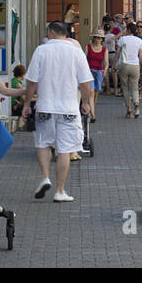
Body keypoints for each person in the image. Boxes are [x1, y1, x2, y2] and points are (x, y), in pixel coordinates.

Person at [21, 21, 93, 202]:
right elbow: (85, 83)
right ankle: (60, 191)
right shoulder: (76, 52)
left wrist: (27, 103)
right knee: (65, 149)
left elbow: (32, 81)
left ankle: (45, 177)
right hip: (69, 108)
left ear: (51, 32)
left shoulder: (41, 50)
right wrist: (86, 103)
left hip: (45, 106)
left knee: (43, 143)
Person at [116, 23, 142, 119]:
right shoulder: (139, 41)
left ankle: (128, 108)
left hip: (124, 65)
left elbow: (117, 53)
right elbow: (141, 56)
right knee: (134, 87)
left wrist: (113, 65)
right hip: (135, 65)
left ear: (128, 30)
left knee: (125, 88)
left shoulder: (122, 39)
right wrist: (139, 64)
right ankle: (136, 105)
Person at [84, 30, 107, 122]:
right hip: (89, 71)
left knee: (96, 92)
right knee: (91, 91)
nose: (98, 39)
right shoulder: (88, 47)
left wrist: (105, 70)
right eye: (96, 37)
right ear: (93, 38)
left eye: (99, 38)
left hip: (99, 72)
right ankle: (92, 115)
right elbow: (83, 59)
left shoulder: (104, 49)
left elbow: (106, 62)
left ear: (102, 39)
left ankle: (91, 107)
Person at [9, 63, 27, 131]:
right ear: (22, 74)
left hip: (14, 105)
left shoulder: (13, 80)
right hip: (16, 107)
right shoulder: (18, 84)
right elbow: (24, 99)